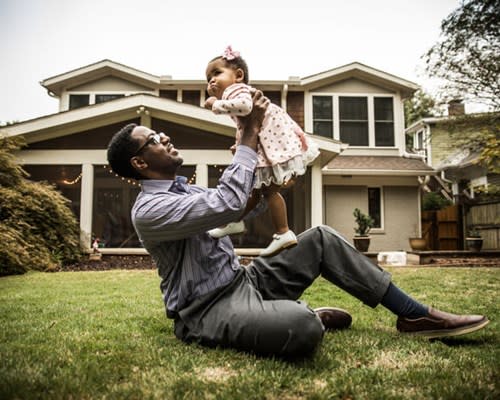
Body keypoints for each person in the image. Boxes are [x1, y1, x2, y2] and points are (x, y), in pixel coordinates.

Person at [106, 90, 489, 359]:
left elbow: (238, 211)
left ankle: (413, 314)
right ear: (140, 163)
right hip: (206, 310)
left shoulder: (184, 193)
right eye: (154, 138)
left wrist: (266, 177)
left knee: (320, 237)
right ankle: (308, 315)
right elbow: (226, 203)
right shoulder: (151, 210)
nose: (165, 137)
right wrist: (250, 135)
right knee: (302, 328)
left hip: (244, 281)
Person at [204, 46, 320, 257]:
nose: (211, 80)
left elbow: (246, 107)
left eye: (217, 73)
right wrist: (239, 146)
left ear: (238, 75)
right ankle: (235, 221)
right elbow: (245, 125)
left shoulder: (236, 90)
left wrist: (216, 104)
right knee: (255, 192)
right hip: (267, 140)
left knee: (268, 192)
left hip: (272, 142)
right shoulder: (234, 91)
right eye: (208, 78)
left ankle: (283, 232)